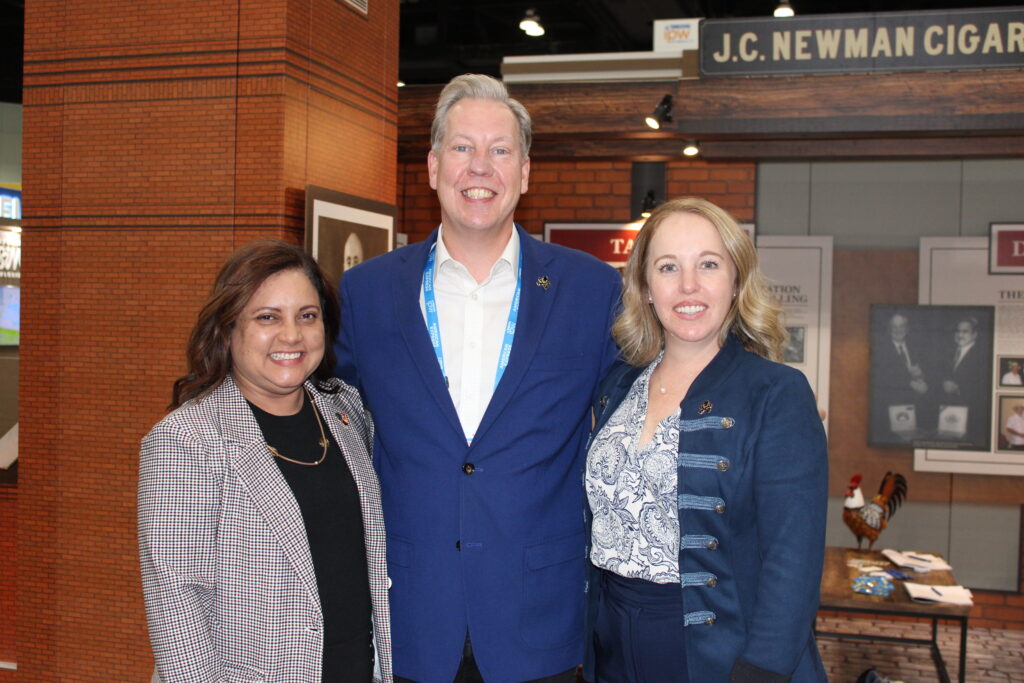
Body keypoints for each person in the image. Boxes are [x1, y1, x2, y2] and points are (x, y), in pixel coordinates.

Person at [334, 74, 621, 683]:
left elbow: (638, 417)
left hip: (539, 621)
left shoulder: (592, 290)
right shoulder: (369, 292)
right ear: (434, 167)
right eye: (463, 148)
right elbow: (331, 425)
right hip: (409, 615)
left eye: (500, 149)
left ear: (524, 172)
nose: (480, 167)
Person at [584, 198, 828, 682]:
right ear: (646, 287)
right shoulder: (617, 384)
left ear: (736, 282)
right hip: (612, 643)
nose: (688, 285)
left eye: (709, 265)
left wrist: (762, 669)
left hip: (718, 651)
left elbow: (793, 558)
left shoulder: (776, 393)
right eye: (668, 267)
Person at [138, 240, 392, 682]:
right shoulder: (188, 439)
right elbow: (176, 604)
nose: (291, 335)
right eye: (267, 317)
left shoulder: (344, 412)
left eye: (307, 316)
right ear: (228, 328)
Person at [870, 312, 929, 444]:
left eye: (901, 326)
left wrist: (921, 375)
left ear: (907, 328)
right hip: (890, 408)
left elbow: (925, 371)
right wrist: (911, 384)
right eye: (894, 326)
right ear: (889, 329)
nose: (898, 330)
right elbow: (881, 377)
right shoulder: (880, 348)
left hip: (914, 407)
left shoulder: (916, 347)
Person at [938, 316, 987, 446]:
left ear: (974, 334)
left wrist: (958, 388)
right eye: (958, 331)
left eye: (965, 331)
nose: (960, 334)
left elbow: (984, 387)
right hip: (950, 414)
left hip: (972, 417)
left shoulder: (983, 354)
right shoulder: (950, 351)